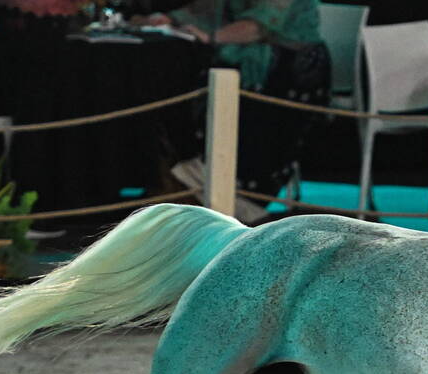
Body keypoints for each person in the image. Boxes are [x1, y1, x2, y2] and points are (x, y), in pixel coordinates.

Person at [133, 0, 330, 223]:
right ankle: (187, 192)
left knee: (245, 116)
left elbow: (258, 25)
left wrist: (212, 37)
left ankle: (229, 203)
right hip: (245, 60)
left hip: (291, 69)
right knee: (181, 90)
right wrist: (173, 19)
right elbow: (213, 7)